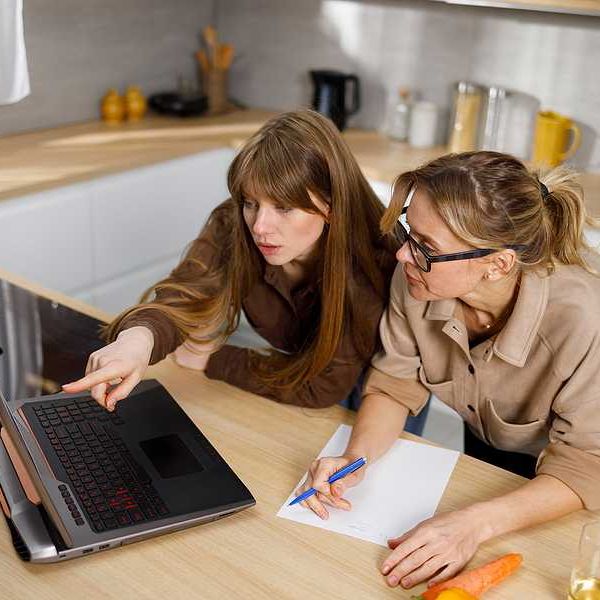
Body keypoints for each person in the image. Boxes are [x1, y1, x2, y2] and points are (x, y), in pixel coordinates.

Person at [295, 151, 600, 590]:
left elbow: (585, 465)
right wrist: (353, 457)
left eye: (426, 247)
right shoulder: (418, 278)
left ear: (497, 264)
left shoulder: (582, 318)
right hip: (493, 452)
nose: (402, 254)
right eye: (409, 233)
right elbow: (395, 384)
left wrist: (472, 525)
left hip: (573, 484)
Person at [63, 109, 403, 415]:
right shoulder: (235, 223)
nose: (259, 227)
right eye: (251, 202)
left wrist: (213, 358)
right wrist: (137, 341)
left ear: (330, 205)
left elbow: (323, 386)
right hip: (303, 370)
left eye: (284, 207)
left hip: (385, 383)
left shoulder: (376, 258)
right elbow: (187, 292)